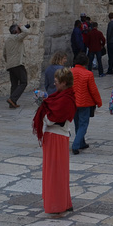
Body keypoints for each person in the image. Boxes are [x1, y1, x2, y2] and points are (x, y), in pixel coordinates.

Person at [32, 66, 76, 216]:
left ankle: (56, 204)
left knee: (55, 172)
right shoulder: (60, 96)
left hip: (56, 137)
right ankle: (62, 201)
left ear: (64, 83)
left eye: (57, 81)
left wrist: (42, 107)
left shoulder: (65, 99)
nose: (54, 84)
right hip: (55, 137)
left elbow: (51, 119)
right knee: (58, 171)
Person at [70, 52, 102, 154]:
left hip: (73, 102)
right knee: (83, 124)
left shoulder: (70, 72)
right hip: (85, 102)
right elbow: (93, 90)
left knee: (77, 123)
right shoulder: (88, 74)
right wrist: (98, 102)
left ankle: (82, 142)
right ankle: (76, 145)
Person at [3, 21, 31, 109]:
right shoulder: (16, 38)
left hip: (10, 65)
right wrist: (21, 26)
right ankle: (12, 99)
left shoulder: (8, 40)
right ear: (16, 31)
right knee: (23, 82)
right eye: (18, 29)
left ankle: (12, 102)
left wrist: (8, 61)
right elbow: (26, 32)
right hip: (18, 64)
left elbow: (4, 53)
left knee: (14, 84)